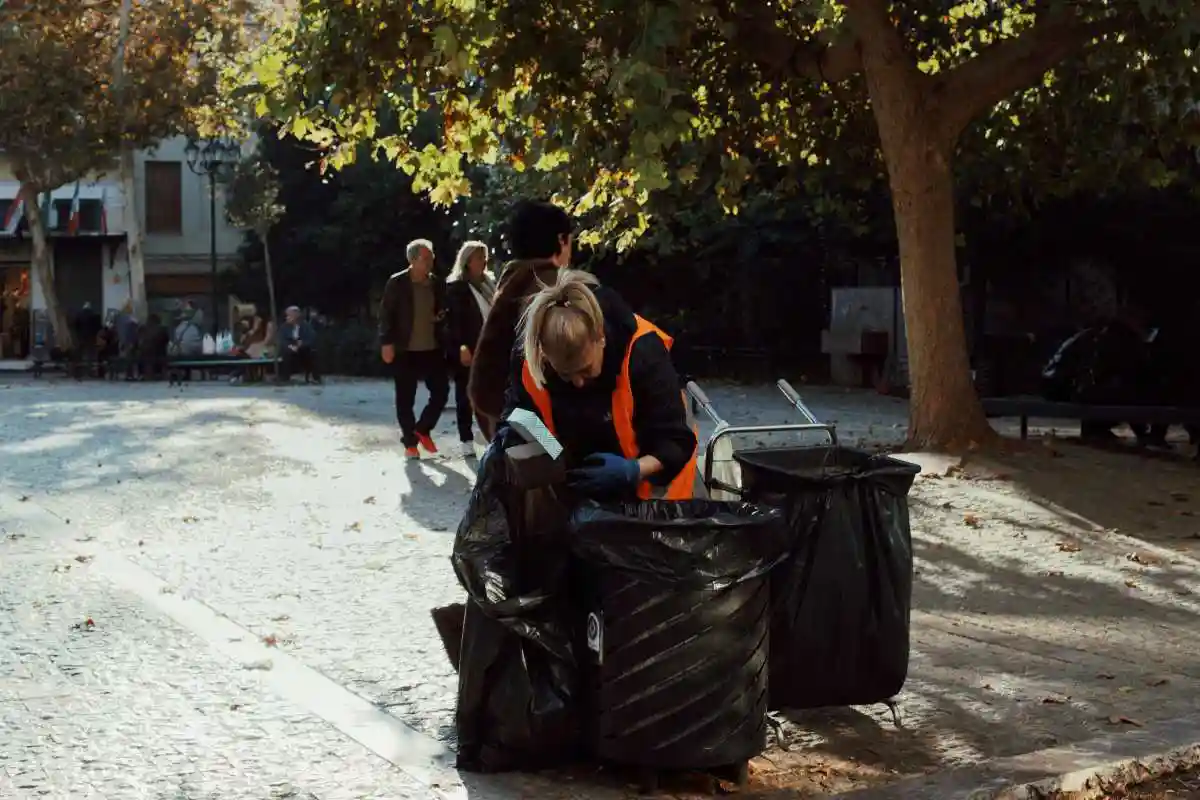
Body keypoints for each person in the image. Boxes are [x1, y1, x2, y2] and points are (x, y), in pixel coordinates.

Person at [505, 270, 698, 500]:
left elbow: (676, 442)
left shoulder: (643, 353)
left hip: (654, 492)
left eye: (586, 370)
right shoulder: (531, 358)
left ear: (601, 338)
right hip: (576, 490)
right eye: (565, 375)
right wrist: (548, 452)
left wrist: (633, 470)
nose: (578, 383)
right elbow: (520, 412)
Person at [469, 200, 573, 441]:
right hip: (532, 419)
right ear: (560, 240)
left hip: (509, 414)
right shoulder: (547, 286)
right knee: (564, 471)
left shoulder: (516, 278)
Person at [379, 238, 450, 459]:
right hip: (404, 349)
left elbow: (443, 308)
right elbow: (386, 314)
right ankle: (410, 442)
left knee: (441, 392)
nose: (430, 261)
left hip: (432, 347)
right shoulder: (397, 283)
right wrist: (386, 342)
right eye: (426, 258)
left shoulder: (437, 283)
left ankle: (422, 429)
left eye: (431, 257)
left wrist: (441, 316)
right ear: (412, 260)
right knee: (405, 398)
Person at [445, 241, 496, 457]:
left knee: (491, 392)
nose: (483, 262)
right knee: (465, 393)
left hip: (490, 346)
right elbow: (452, 322)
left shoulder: (490, 283)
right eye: (478, 258)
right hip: (468, 346)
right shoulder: (456, 287)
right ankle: (466, 438)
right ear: (466, 262)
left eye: (485, 257)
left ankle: (491, 435)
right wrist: (461, 347)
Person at [277, 305, 320, 383]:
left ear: (296, 316)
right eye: (287, 316)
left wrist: (301, 345)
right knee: (285, 352)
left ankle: (314, 377)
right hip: (290, 348)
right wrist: (291, 346)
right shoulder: (284, 327)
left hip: (303, 348)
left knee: (310, 352)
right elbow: (282, 340)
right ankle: (285, 377)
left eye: (289, 316)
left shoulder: (306, 326)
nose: (287, 318)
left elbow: (311, 338)